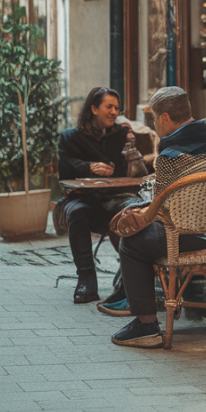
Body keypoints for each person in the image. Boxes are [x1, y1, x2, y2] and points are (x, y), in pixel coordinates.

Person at [108, 86, 206, 348]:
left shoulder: (170, 156)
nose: (155, 124)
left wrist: (138, 214)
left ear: (165, 118)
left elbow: (158, 208)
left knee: (132, 242)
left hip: (186, 235)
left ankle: (146, 325)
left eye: (154, 119)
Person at [58, 87, 149, 304]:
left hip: (116, 198)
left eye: (116, 108)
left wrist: (133, 146)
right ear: (93, 108)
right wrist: (89, 167)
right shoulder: (70, 138)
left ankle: (130, 281)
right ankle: (86, 280)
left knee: (133, 209)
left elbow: (138, 168)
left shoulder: (122, 135)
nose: (114, 112)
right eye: (109, 107)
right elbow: (66, 171)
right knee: (77, 212)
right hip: (83, 199)